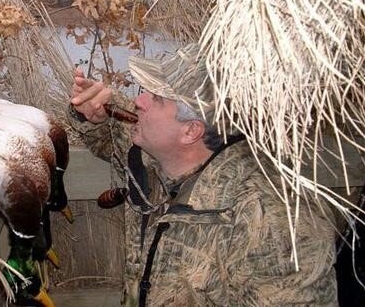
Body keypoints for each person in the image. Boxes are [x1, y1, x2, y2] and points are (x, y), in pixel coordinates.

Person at [67, 43, 338, 306]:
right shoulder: (168, 157)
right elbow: (112, 137)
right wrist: (94, 113)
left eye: (157, 97)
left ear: (191, 131)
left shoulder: (277, 220)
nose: (138, 100)